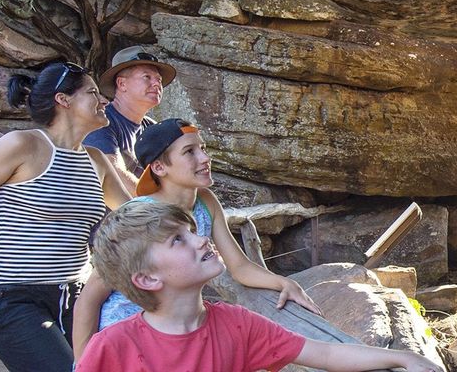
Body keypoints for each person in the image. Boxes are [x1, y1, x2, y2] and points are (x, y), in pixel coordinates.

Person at [0, 61, 134, 372]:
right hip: (10, 296)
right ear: (63, 100)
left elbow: (135, 216)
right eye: (92, 93)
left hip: (75, 297)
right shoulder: (22, 145)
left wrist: (192, 214)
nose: (103, 101)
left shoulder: (96, 161)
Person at [76, 200, 445, 372]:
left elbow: (327, 355)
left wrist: (405, 357)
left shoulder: (237, 324)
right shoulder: (113, 348)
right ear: (147, 279)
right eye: (178, 241)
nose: (201, 240)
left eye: (192, 231)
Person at [71, 118, 319, 357]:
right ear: (159, 167)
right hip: (125, 337)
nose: (204, 158)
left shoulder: (206, 202)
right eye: (189, 151)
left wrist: (284, 283)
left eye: (203, 148)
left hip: (172, 333)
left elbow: (239, 266)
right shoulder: (140, 216)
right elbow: (91, 298)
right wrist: (84, 363)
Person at [84, 46, 175, 178]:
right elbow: (114, 177)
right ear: (121, 84)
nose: (156, 84)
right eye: (146, 77)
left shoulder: (152, 128)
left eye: (159, 79)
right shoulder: (102, 122)